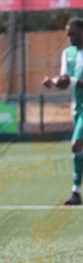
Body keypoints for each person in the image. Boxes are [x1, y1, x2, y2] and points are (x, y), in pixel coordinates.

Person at [42, 16, 83, 205]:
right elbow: (64, 79)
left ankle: (76, 192)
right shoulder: (68, 53)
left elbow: (72, 81)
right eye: (68, 34)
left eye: (72, 33)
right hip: (78, 108)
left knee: (76, 144)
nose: (69, 37)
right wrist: (54, 82)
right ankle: (76, 193)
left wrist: (72, 81)